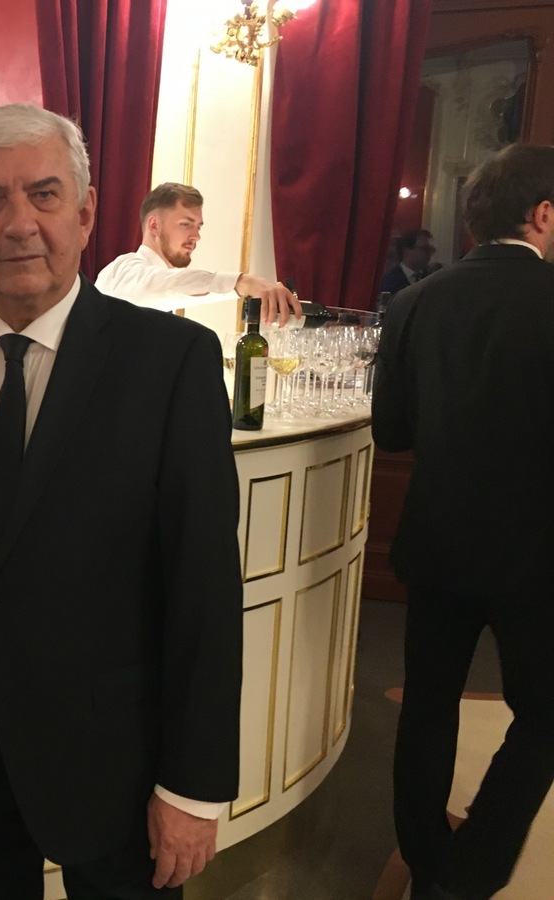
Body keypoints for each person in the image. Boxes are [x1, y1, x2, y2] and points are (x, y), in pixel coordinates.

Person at [0, 104, 243, 899]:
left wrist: (194, 786)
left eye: (44, 194)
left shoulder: (170, 363)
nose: (19, 223)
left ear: (86, 214)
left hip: (117, 758)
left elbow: (203, 587)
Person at [373, 143, 554, 900]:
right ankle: (472, 868)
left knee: (428, 704)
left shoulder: (415, 301)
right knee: (544, 713)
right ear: (543, 214)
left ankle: (427, 858)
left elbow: (392, 431)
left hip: (437, 541)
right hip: (537, 553)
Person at [94, 182, 300, 324]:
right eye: (186, 224)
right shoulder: (122, 271)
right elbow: (156, 285)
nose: (196, 236)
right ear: (154, 225)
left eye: (198, 227)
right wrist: (242, 282)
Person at [380, 228, 436, 296]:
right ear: (406, 250)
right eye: (425, 248)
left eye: (432, 249)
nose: (429, 253)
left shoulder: (433, 279)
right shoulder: (389, 280)